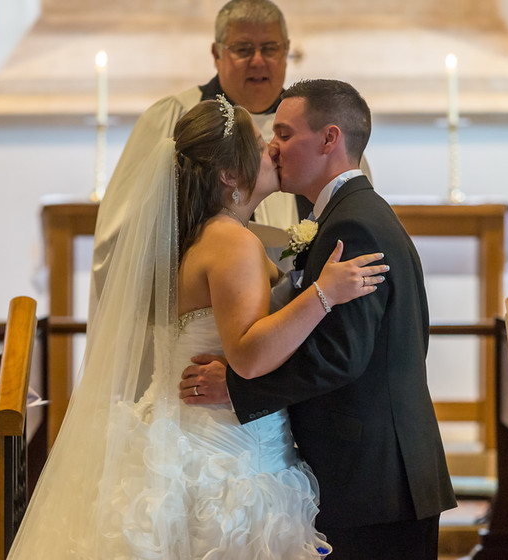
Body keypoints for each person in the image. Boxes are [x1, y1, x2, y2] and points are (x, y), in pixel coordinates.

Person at [7, 96, 387, 559]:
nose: (271, 149)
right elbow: (247, 356)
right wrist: (323, 292)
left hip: (177, 438)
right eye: (260, 142)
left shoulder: (196, 239)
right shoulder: (233, 243)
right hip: (226, 453)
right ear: (229, 175)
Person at [179, 80, 457, 559]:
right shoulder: (344, 216)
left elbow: (341, 355)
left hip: (374, 479)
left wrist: (238, 388)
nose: (273, 147)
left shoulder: (354, 223)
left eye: (285, 134)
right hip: (371, 476)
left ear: (330, 139)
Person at [90, 0, 296, 322]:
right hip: (198, 321)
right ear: (216, 53)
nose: (258, 61)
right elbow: (119, 239)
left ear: (287, 50)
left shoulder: (317, 126)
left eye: (270, 48)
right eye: (243, 49)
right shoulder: (172, 118)